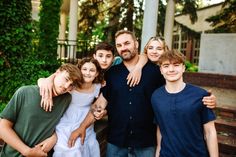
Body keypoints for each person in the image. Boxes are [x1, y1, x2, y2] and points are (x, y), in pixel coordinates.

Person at [76, 30, 217, 157]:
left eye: (127, 43)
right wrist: (84, 125)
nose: (123, 48)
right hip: (117, 141)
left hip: (146, 142)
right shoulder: (112, 73)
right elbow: (100, 103)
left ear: (136, 43)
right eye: (119, 45)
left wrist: (205, 98)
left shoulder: (156, 71)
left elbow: (176, 89)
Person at [0, 63, 82, 157]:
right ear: (57, 72)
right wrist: (27, 151)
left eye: (71, 85)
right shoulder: (25, 93)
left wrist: (55, 137)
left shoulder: (66, 99)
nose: (67, 86)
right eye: (66, 79)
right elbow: (2, 127)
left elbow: (62, 124)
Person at [151, 50, 218, 157]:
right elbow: (160, 128)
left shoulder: (200, 95)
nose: (171, 69)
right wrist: (158, 153)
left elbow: (210, 132)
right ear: (161, 70)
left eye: (176, 65)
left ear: (183, 68)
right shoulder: (156, 96)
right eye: (166, 66)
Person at [52, 57, 103, 157]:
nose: (87, 73)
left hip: (84, 119)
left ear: (96, 73)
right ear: (79, 70)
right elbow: (54, 79)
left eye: (92, 70)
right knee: (67, 146)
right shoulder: (71, 85)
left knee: (83, 143)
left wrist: (102, 112)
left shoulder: (98, 87)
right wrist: (43, 81)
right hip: (67, 118)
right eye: (84, 69)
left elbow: (100, 105)